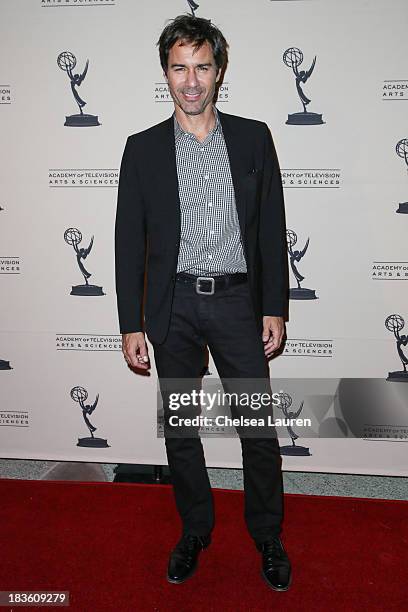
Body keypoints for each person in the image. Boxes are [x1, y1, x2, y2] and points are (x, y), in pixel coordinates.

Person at [114, 14, 291, 591]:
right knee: (183, 430)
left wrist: (274, 306)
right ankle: (195, 530)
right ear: (165, 73)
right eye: (179, 68)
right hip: (176, 308)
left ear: (219, 71)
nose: (191, 81)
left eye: (203, 67)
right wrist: (131, 323)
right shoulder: (140, 150)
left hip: (239, 302)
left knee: (258, 429)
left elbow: (270, 228)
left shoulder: (253, 137)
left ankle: (267, 534)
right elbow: (127, 243)